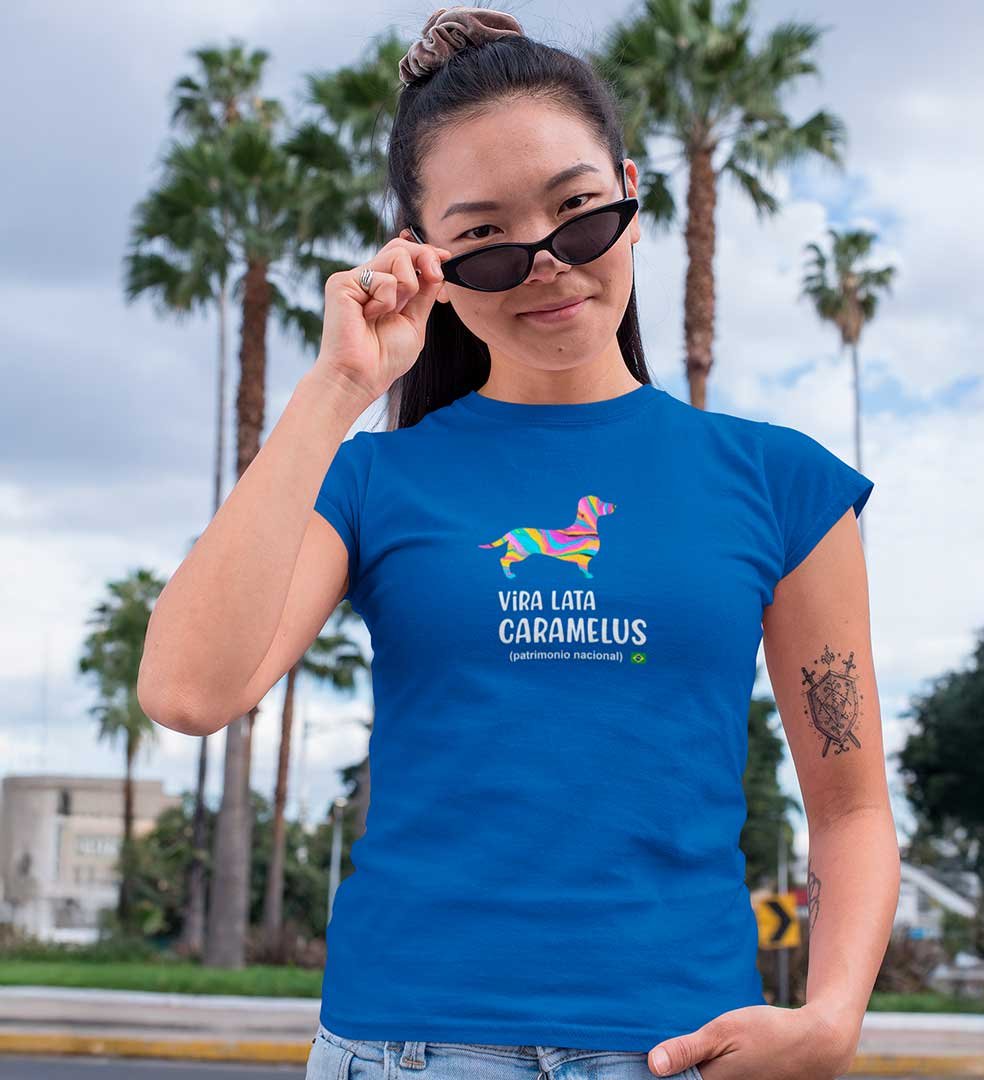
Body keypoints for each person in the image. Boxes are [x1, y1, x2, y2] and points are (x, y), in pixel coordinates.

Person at [139, 7, 900, 1079]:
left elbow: (851, 803)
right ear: (428, 258)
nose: (545, 263)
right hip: (406, 1050)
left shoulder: (780, 483)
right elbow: (187, 692)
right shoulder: (369, 481)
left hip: (679, 1049)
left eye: (578, 212)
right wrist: (339, 386)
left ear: (631, 194)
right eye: (486, 239)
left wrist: (832, 1017)